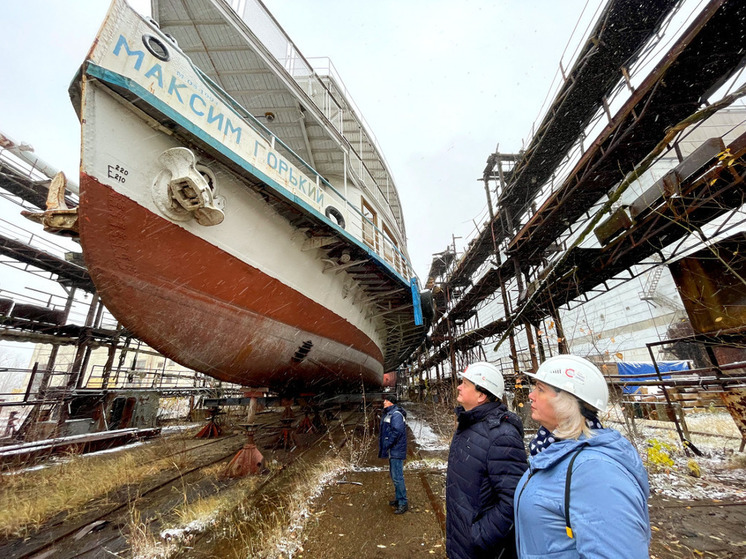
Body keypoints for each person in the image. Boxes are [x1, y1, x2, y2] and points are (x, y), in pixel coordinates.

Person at [514, 354, 651, 558]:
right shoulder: (550, 451)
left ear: (567, 403)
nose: (531, 396)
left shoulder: (596, 472)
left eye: (540, 389)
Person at [446, 362, 528, 559]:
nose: (458, 386)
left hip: (479, 549)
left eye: (465, 384)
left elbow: (513, 500)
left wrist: (478, 536)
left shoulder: (501, 436)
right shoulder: (471, 424)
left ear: (481, 395)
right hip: (461, 542)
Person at [378, 394, 408, 514]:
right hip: (394, 450)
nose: (384, 402)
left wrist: (388, 443)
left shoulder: (395, 415)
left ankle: (403, 503)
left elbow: (397, 431)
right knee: (395, 476)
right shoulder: (390, 413)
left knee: (397, 477)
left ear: (391, 402)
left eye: (386, 400)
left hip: (396, 450)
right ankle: (398, 499)